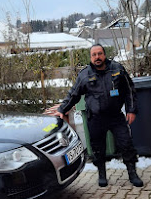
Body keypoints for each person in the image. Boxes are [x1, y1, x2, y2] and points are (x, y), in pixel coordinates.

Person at [47, 44, 143, 188]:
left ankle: (132, 174)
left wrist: (131, 110)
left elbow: (129, 90)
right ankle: (102, 174)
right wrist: (62, 109)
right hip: (96, 119)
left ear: (104, 55)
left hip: (116, 117)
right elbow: (74, 94)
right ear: (91, 57)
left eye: (99, 54)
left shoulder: (117, 69)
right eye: (94, 55)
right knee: (98, 148)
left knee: (126, 144)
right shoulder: (85, 75)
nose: (97, 57)